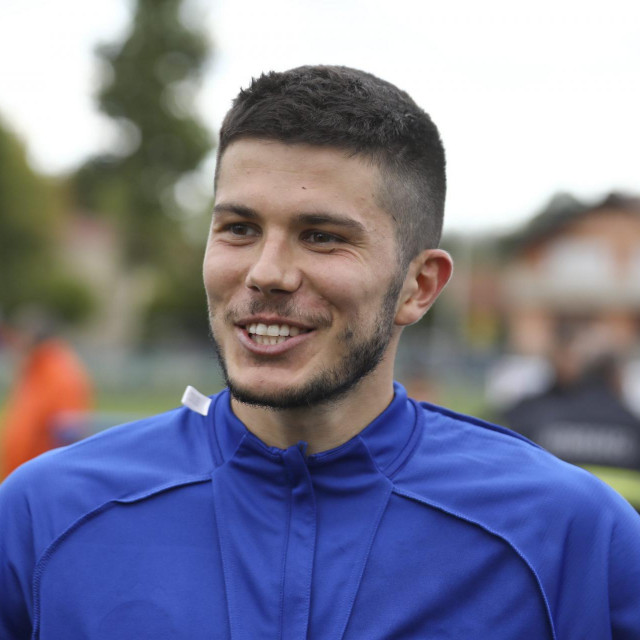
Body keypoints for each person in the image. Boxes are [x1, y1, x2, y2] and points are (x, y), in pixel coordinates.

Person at [1, 66, 639, 639]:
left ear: (419, 287)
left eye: (322, 237)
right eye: (239, 229)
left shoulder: (569, 536)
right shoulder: (43, 515)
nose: (267, 273)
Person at [0, 310, 93, 480]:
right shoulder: (35, 367)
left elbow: (68, 432)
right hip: (22, 476)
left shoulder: (60, 372)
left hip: (40, 479)